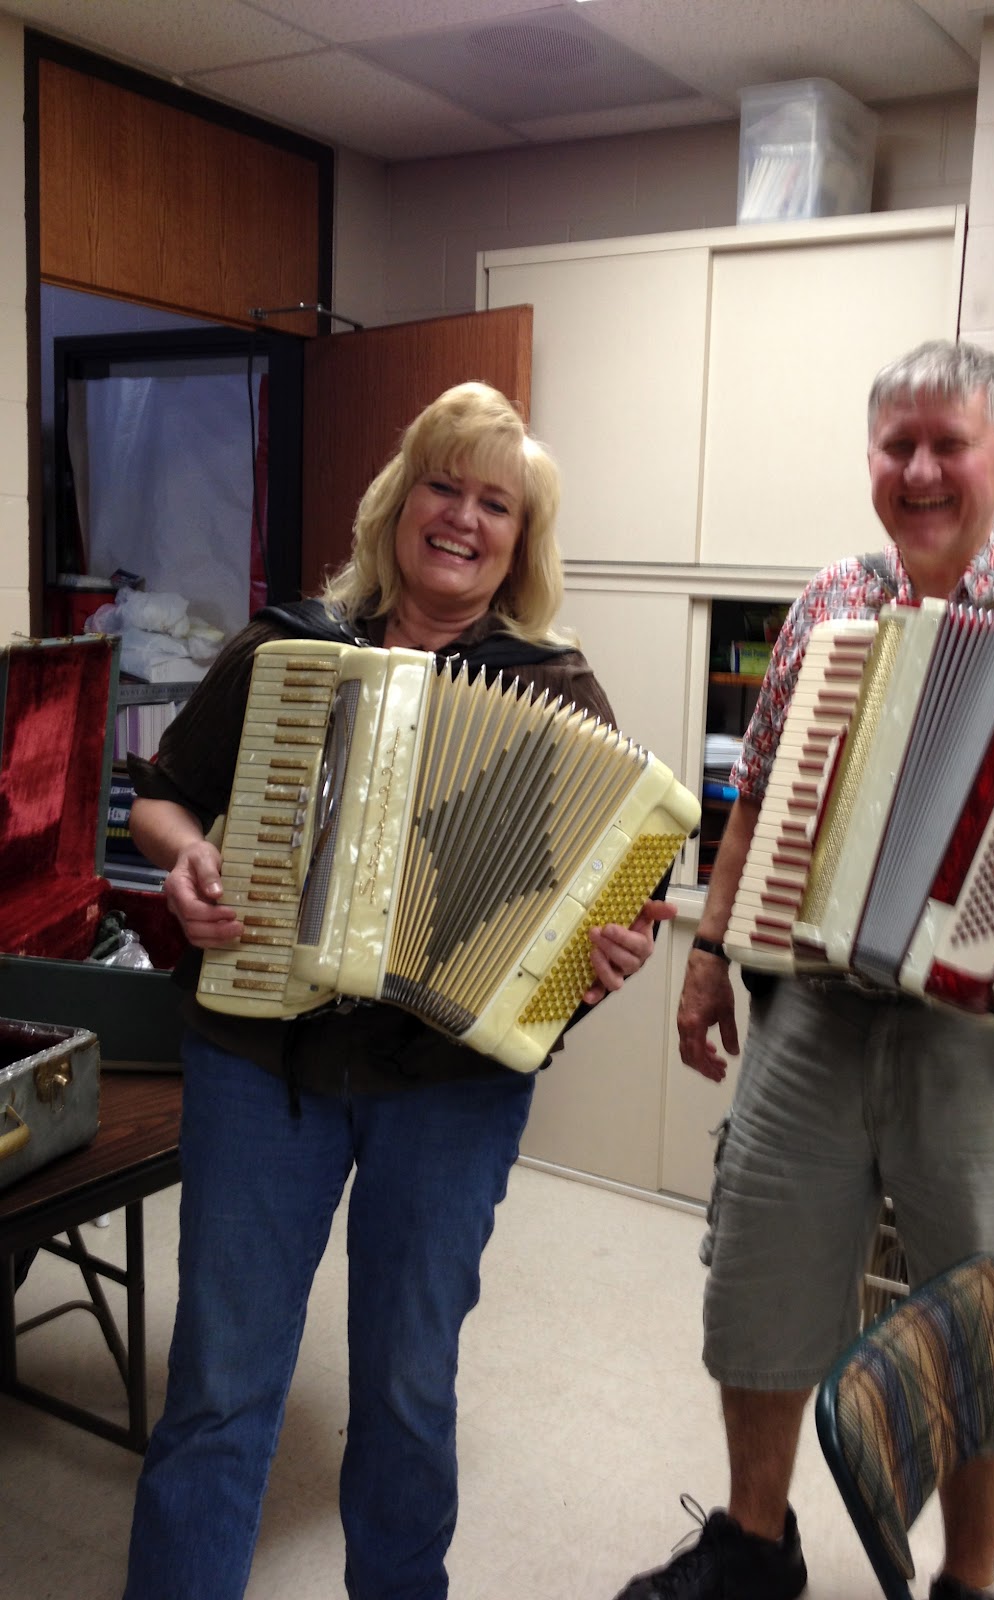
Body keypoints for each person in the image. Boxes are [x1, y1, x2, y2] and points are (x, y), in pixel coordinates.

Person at [613, 341, 994, 1600]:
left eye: (950, 443)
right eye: (899, 446)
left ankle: (968, 1578)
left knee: (985, 1315)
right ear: (872, 460)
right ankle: (754, 1543)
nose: (922, 469)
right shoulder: (831, 599)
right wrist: (710, 953)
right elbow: (755, 791)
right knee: (763, 1276)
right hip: (816, 1004)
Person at [122, 381, 675, 1600]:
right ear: (400, 498)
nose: (464, 518)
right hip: (260, 1059)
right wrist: (187, 857)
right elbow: (161, 794)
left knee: (410, 1386)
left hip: (449, 1084)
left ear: (521, 543)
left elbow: (618, 896)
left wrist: (602, 959)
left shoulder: (558, 691)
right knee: (219, 1384)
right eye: (444, 485)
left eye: (497, 505)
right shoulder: (286, 647)